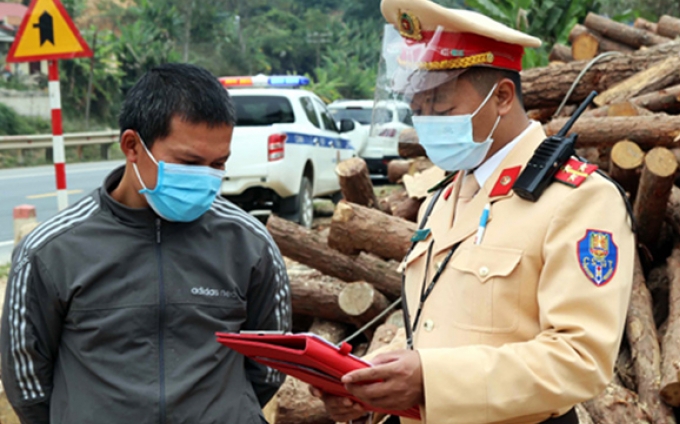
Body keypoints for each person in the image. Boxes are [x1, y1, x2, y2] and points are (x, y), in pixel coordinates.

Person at [312, 1, 634, 423]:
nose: (425, 122)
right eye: (418, 108)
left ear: (501, 97)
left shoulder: (578, 199)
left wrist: (432, 379)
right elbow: (436, 328)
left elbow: (580, 360)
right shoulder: (441, 198)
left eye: (441, 107)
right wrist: (367, 381)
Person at [1, 63, 292, 424]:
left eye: (218, 164)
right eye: (188, 162)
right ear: (132, 146)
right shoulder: (51, 251)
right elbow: (27, 380)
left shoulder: (250, 244)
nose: (206, 178)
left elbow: (270, 364)